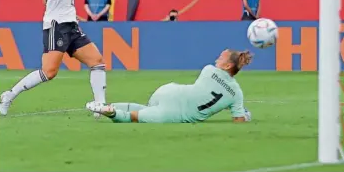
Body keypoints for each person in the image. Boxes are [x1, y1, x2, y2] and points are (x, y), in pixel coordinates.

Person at [0, 0, 107, 116]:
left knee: (97, 61)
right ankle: (9, 95)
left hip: (70, 26)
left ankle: (100, 105)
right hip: (57, 27)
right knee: (49, 72)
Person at [86, 49, 252, 123]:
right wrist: (244, 115)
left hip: (169, 91)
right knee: (133, 118)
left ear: (228, 65)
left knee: (144, 109)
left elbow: (207, 93)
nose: (217, 59)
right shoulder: (236, 93)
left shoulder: (208, 70)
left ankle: (106, 106)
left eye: (221, 58)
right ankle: (112, 112)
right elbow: (237, 119)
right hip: (175, 113)